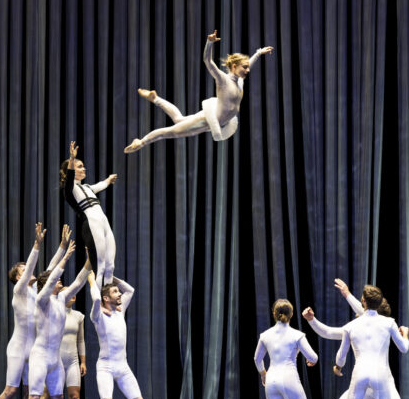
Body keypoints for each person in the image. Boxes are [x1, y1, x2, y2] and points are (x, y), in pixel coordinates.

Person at [0, 223, 67, 399]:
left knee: (32, 393)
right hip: (18, 348)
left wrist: (61, 248)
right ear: (18, 277)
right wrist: (36, 246)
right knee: (11, 389)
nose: (29, 271)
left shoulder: (38, 293)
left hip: (35, 350)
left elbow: (49, 270)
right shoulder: (19, 291)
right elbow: (34, 264)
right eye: (24, 270)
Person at [123, 30, 273, 153]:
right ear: (233, 66)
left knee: (179, 119)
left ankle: (155, 99)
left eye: (247, 67)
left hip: (215, 120)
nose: (247, 70)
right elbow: (208, 61)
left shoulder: (239, 81)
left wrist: (259, 53)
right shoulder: (222, 79)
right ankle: (141, 142)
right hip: (205, 121)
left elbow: (250, 65)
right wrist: (209, 43)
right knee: (169, 132)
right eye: (243, 67)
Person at [87, 271, 175, 399]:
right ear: (105, 297)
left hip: (122, 366)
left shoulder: (120, 310)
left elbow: (130, 290)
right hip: (105, 367)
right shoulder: (98, 316)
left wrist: (111, 276)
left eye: (118, 292)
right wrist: (92, 279)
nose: (119, 294)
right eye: (115, 292)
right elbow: (95, 300)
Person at [20, 242, 91, 399]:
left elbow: (79, 282)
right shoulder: (41, 300)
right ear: (47, 285)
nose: (61, 282)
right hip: (40, 356)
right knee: (33, 398)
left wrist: (90, 260)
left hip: (55, 359)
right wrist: (65, 256)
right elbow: (51, 278)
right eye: (58, 280)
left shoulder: (61, 298)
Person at [330, 285, 409, 399]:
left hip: (360, 372)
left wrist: (338, 367)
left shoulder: (351, 325)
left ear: (363, 302)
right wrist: (405, 334)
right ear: (379, 302)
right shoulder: (388, 323)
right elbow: (404, 348)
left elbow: (341, 355)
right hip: (380, 373)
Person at [30, 293, 88, 399]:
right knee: (44, 395)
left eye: (75, 292)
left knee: (75, 397)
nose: (74, 295)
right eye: (69, 293)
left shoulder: (78, 316)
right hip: (55, 359)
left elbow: (81, 341)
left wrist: (83, 362)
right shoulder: (53, 313)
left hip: (73, 360)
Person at [61, 141, 117, 287]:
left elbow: (99, 186)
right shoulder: (70, 189)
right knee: (101, 267)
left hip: (104, 223)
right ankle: (98, 305)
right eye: (80, 166)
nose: (84, 168)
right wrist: (72, 159)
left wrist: (108, 180)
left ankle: (109, 305)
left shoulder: (87, 187)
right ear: (70, 170)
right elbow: (69, 179)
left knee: (110, 266)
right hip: (91, 225)